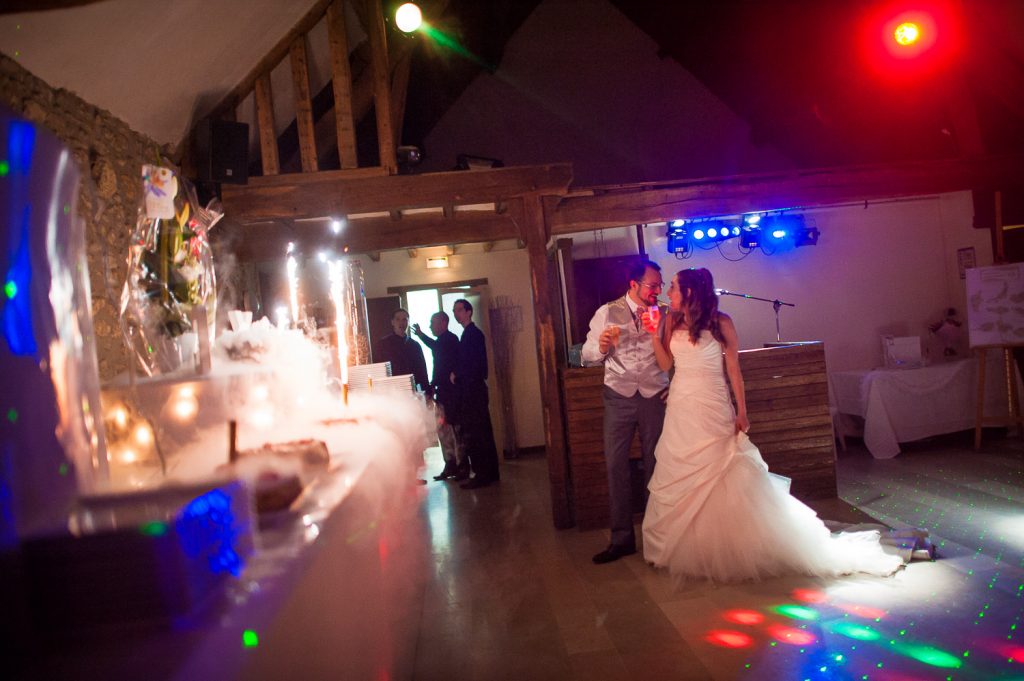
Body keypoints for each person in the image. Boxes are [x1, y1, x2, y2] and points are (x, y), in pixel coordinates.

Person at [642, 268, 902, 582]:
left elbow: (734, 370)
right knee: (682, 470)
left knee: (721, 469)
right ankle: (682, 544)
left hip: (713, 404)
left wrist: (742, 411)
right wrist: (652, 334)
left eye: (673, 287)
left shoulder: (722, 323)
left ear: (691, 292)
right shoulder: (670, 321)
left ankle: (728, 546)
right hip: (682, 404)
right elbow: (667, 365)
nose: (668, 293)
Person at [581, 260, 669, 564]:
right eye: (652, 285)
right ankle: (621, 539)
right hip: (618, 395)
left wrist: (676, 383)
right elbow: (587, 355)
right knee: (615, 464)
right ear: (633, 284)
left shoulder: (665, 313)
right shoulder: (606, 312)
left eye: (660, 285)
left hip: (654, 394)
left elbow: (675, 355)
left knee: (656, 465)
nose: (658, 290)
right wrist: (602, 345)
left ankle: (657, 541)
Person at [413, 312, 468, 481]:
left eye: (433, 322)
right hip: (443, 394)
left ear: (443, 323)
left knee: (454, 431)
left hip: (451, 395)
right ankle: (451, 465)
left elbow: (443, 365)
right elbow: (436, 351)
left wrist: (432, 385)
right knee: (443, 431)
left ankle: (461, 467)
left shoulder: (450, 340)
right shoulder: (444, 341)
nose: (430, 325)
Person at [451, 298, 500, 489]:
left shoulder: (472, 334)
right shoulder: (469, 334)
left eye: (460, 310)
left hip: (473, 390)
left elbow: (474, 365)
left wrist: (458, 375)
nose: (457, 314)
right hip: (475, 389)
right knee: (483, 431)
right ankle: (490, 472)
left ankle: (482, 474)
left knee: (477, 433)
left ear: (469, 311)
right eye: (454, 311)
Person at [377, 308, 429, 393]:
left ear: (408, 322)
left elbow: (422, 370)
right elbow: (379, 370)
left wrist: (427, 391)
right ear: (392, 322)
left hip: (412, 389)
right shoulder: (383, 344)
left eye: (404, 320)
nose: (401, 323)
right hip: (392, 390)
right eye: (398, 319)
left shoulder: (415, 345)